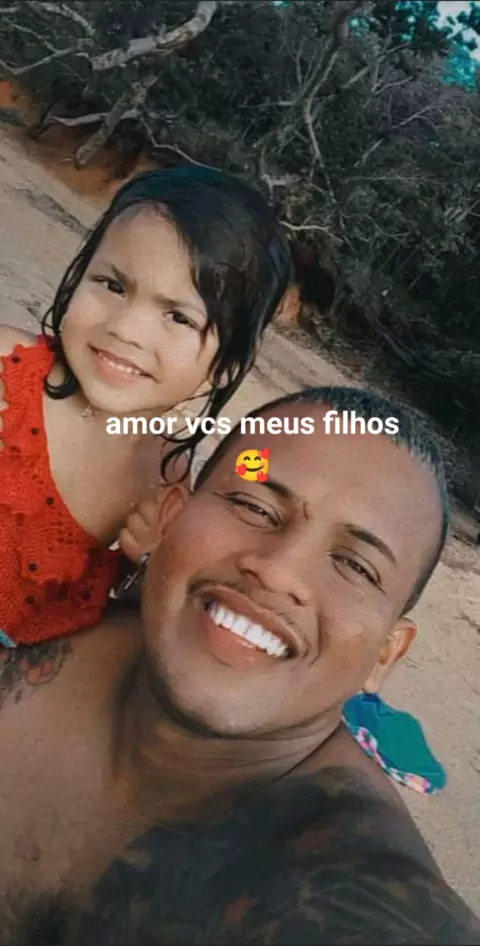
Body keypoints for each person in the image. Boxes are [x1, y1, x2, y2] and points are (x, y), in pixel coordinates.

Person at [1, 386, 479, 946]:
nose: (278, 571)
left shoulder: (358, 894)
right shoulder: (32, 633)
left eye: (355, 565)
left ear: (384, 655)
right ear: (170, 517)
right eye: (254, 507)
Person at [0, 165, 291, 648]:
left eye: (178, 316)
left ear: (225, 366)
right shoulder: (7, 376)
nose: (125, 329)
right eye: (112, 285)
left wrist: (153, 563)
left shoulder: (167, 480)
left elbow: (137, 618)